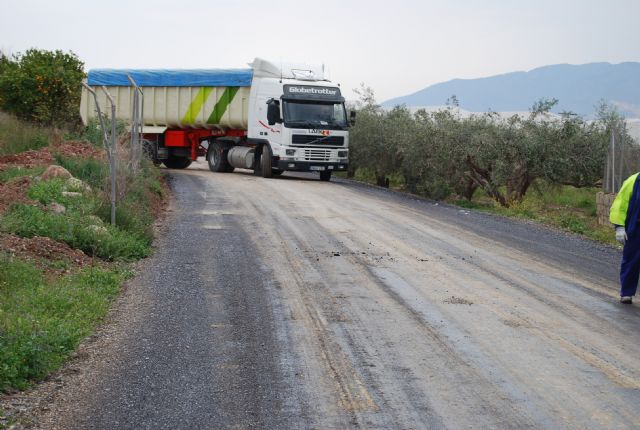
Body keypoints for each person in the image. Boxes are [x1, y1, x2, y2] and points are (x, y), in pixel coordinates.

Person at [610, 172, 640, 304]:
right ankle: (627, 293)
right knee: (631, 262)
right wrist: (619, 227)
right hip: (636, 229)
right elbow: (620, 205)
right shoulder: (633, 181)